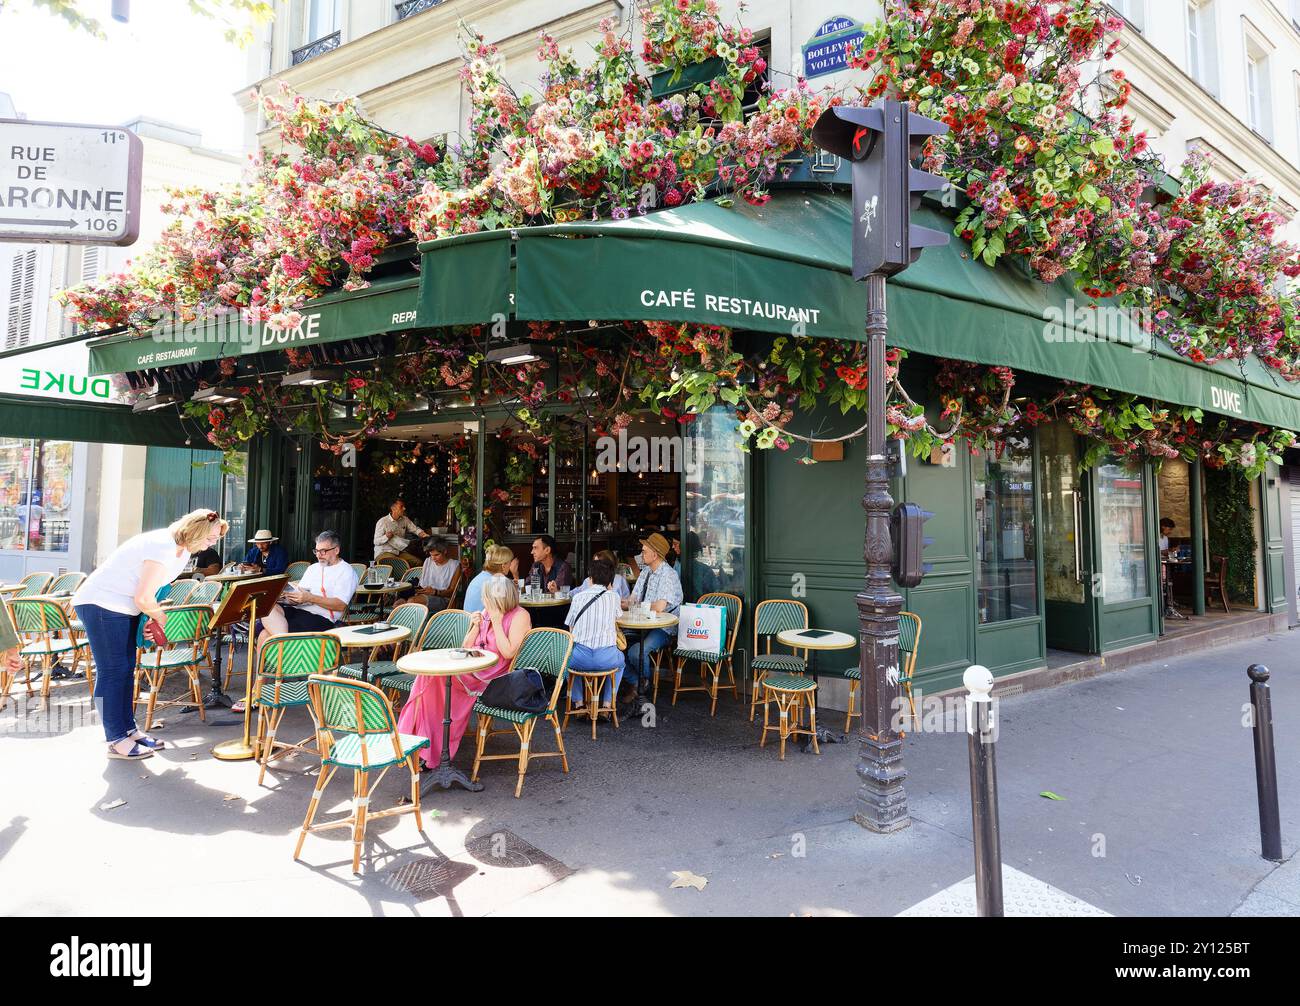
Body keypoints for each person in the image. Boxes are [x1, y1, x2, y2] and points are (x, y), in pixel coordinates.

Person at [72, 509, 229, 761]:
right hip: (100, 603)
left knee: (126, 669)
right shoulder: (162, 546)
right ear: (197, 531)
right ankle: (114, 738)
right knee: (112, 671)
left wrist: (148, 616)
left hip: (123, 606)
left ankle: (128, 730)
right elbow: (144, 597)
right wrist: (159, 617)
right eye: (210, 538)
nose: (212, 543)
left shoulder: (181, 549)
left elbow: (149, 593)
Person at [398, 574, 530, 765]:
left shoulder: (519, 615)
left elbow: (509, 652)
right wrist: (475, 627)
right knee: (427, 676)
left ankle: (433, 750)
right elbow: (466, 647)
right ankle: (417, 740)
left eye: (486, 597)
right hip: (472, 669)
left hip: (494, 678)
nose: (483, 600)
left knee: (438, 681)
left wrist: (497, 622)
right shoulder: (487, 612)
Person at [256, 530, 358, 644]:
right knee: (268, 608)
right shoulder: (313, 568)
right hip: (297, 610)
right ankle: (285, 646)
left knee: (264, 635)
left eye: (323, 551)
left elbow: (340, 605)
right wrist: (287, 597)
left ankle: (285, 648)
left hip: (321, 618)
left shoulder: (346, 571)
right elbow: (301, 594)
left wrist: (310, 598)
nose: (319, 555)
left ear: (336, 550)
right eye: (316, 551)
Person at [619, 532, 683, 706]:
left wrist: (635, 606)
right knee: (613, 646)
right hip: (642, 624)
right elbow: (634, 599)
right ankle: (638, 682)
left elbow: (659, 607)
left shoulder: (668, 575)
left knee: (635, 652)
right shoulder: (646, 572)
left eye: (645, 551)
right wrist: (619, 602)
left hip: (663, 628)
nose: (641, 554)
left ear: (655, 554)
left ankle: (641, 689)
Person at [565, 558, 625, 705]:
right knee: (622, 662)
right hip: (607, 659)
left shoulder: (578, 597)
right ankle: (607, 703)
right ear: (610, 581)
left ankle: (578, 702)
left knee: (566, 662)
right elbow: (618, 617)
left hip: (580, 659)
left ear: (590, 578)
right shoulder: (614, 597)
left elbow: (570, 628)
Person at [374, 499, 427, 566]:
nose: (404, 508)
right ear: (393, 508)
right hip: (384, 552)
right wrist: (386, 537)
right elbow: (376, 541)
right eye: (401, 506)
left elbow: (415, 529)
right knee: (399, 564)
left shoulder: (405, 519)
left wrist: (423, 534)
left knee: (418, 562)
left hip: (399, 552)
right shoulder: (383, 521)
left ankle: (408, 576)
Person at [464, 544, 516, 613]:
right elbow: (505, 609)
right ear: (503, 566)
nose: (511, 565)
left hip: (469, 621)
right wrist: (515, 575)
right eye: (510, 562)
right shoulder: (497, 581)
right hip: (481, 622)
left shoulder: (482, 576)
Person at [413, 538, 459, 611]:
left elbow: (453, 592)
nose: (433, 558)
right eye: (431, 555)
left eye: (437, 555)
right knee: (400, 603)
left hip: (443, 599)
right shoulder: (428, 561)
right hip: (426, 595)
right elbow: (423, 584)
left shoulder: (454, 565)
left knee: (412, 602)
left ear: (445, 551)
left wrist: (435, 592)